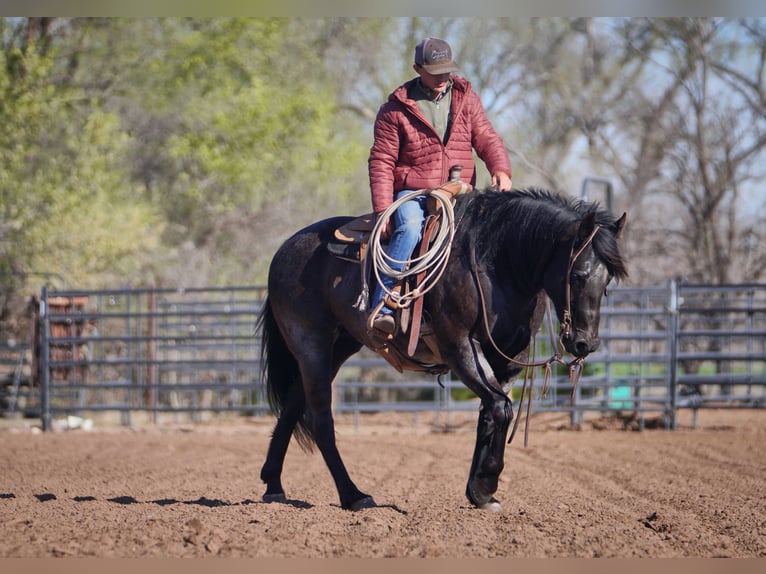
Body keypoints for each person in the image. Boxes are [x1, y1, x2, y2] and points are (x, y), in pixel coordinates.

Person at [368, 37, 512, 334]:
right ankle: (382, 305)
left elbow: (486, 137)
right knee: (408, 228)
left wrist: (500, 168)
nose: (442, 76)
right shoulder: (395, 110)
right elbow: (381, 161)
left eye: (446, 69)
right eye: (435, 71)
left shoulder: (466, 98)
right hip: (415, 192)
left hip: (461, 190)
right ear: (417, 68)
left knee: (496, 234)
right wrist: (383, 210)